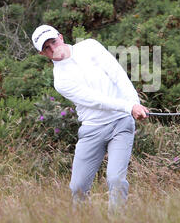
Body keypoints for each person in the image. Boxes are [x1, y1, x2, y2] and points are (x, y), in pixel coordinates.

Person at [32, 25, 149, 212]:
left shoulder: (90, 46)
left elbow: (118, 75)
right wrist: (129, 106)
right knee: (77, 187)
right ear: (42, 54)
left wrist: (134, 102)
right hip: (92, 129)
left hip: (121, 123)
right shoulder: (61, 80)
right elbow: (96, 101)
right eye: (46, 48)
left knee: (115, 179)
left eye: (53, 42)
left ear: (61, 37)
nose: (53, 49)